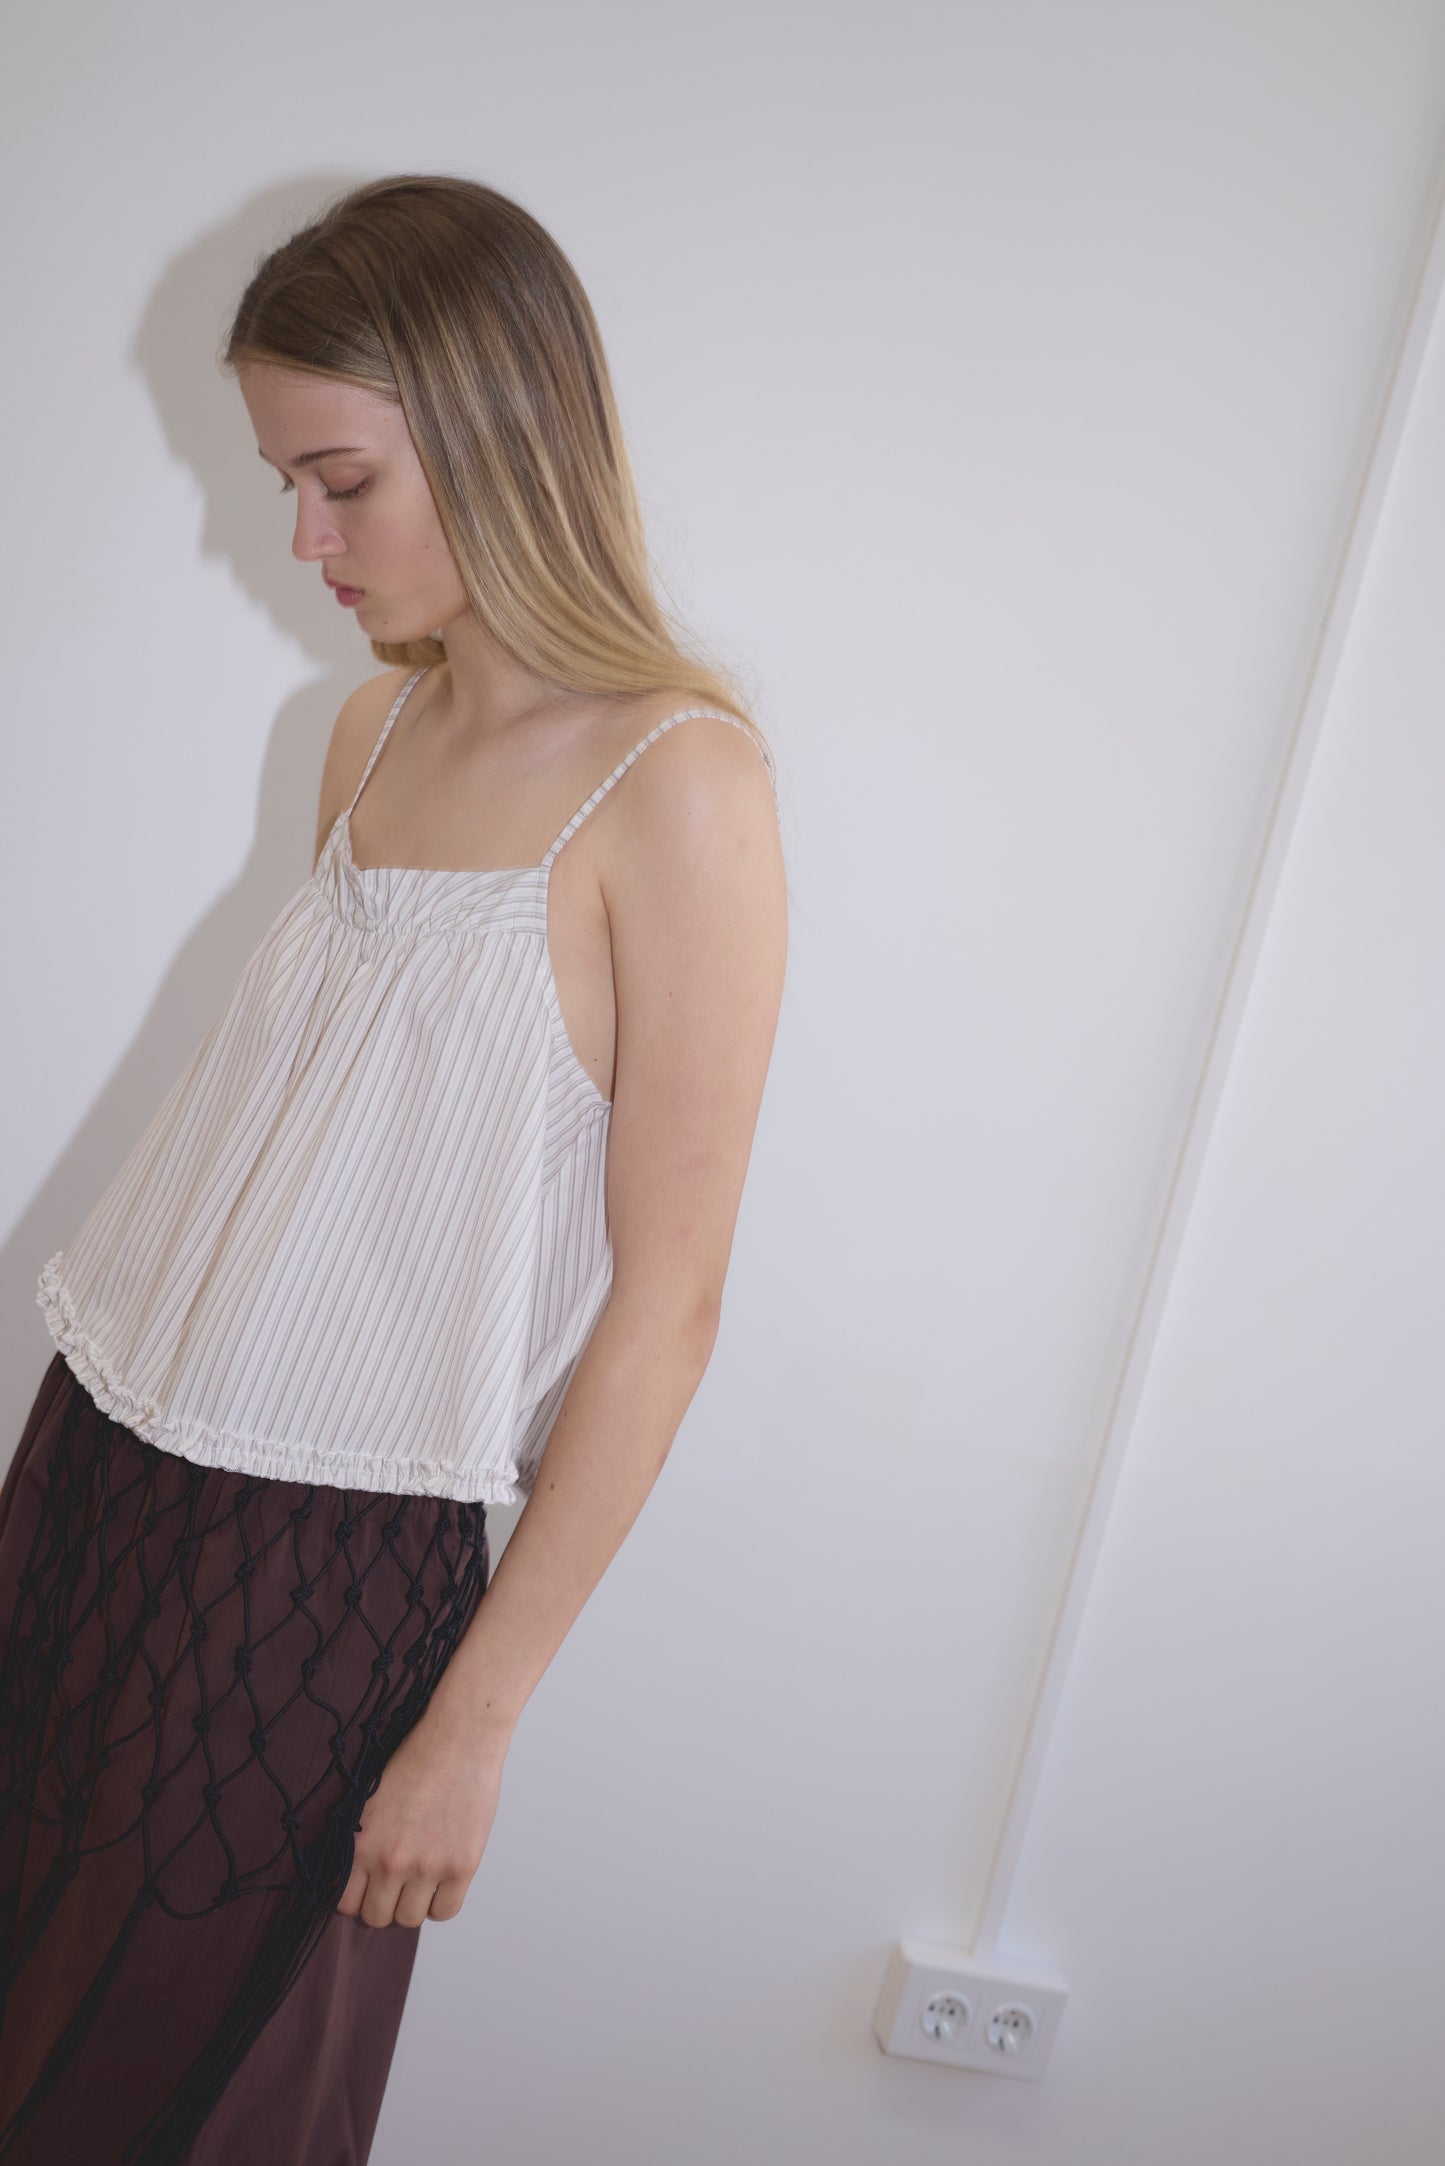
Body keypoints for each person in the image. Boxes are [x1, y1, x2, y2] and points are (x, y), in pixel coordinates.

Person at [0, 172, 788, 2164]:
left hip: (338, 1565)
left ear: (500, 433)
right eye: (287, 481)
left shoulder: (677, 786)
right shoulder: (360, 738)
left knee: (182, 2088)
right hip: (100, 1462)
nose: (298, 538)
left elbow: (668, 1313)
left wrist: (476, 1718)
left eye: (339, 478)